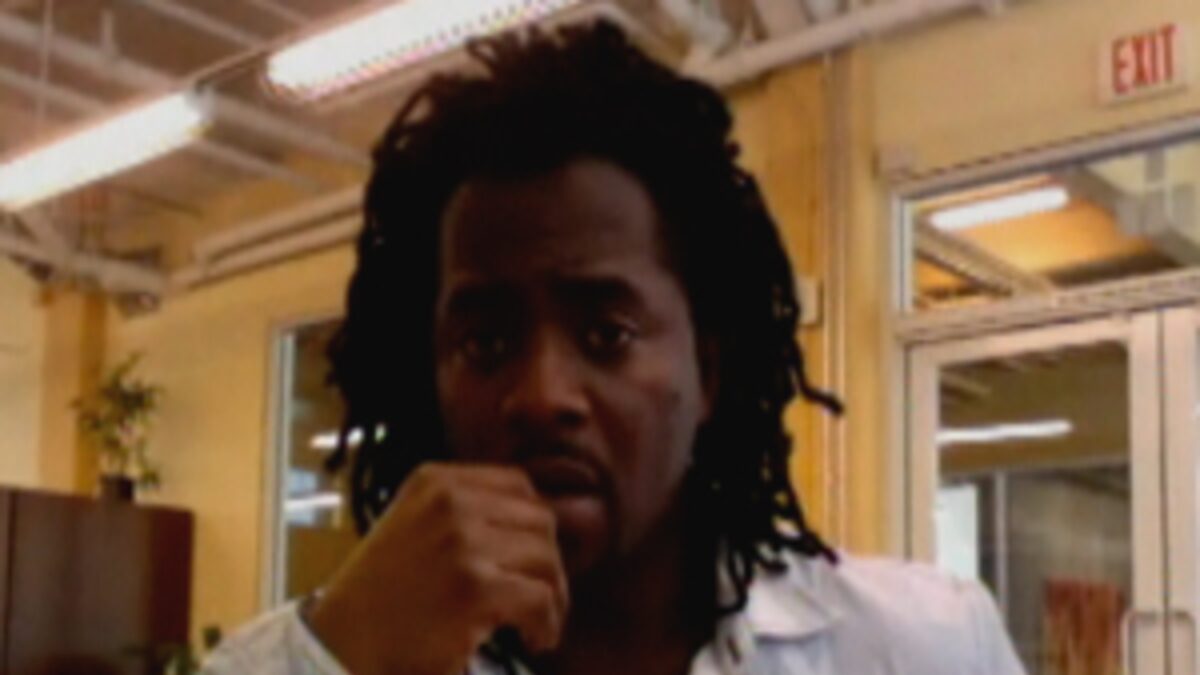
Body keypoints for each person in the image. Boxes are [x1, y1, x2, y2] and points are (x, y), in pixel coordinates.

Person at [204, 21, 1024, 675]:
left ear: (706, 372)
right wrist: (339, 652)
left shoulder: (923, 645)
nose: (542, 395)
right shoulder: (352, 652)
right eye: (485, 341)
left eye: (608, 334)